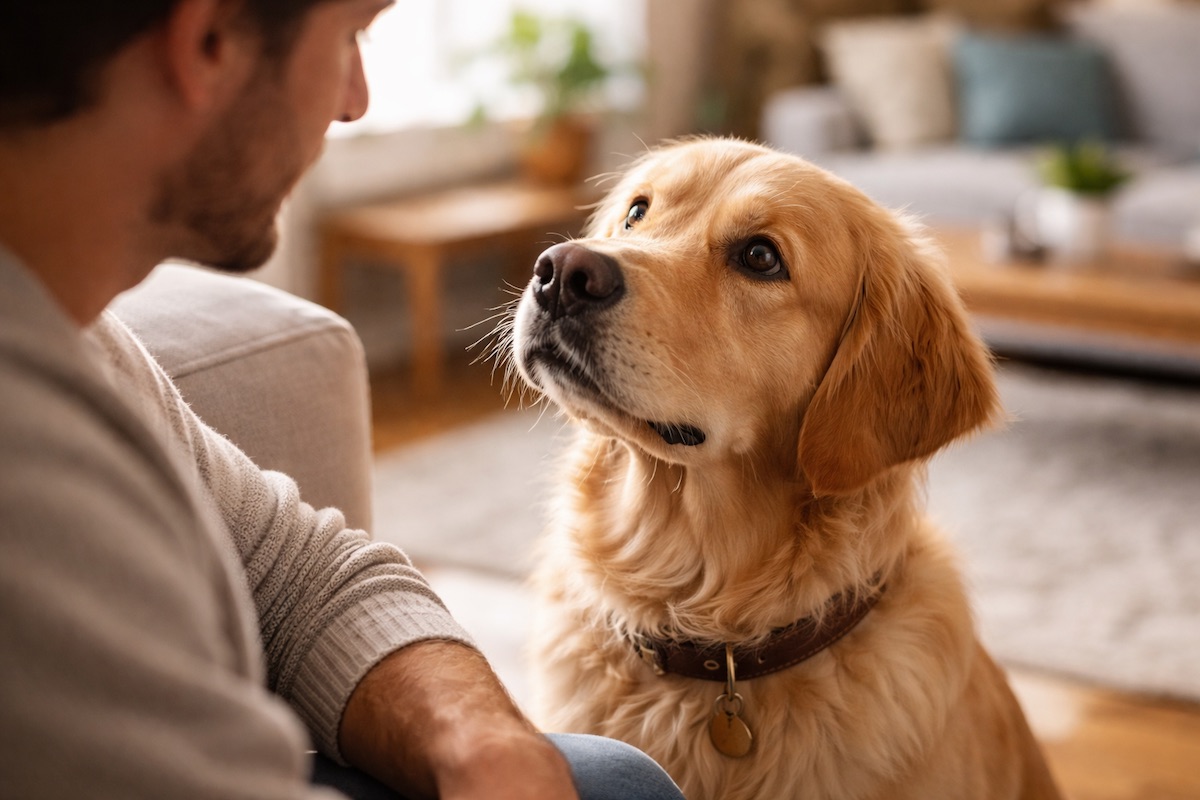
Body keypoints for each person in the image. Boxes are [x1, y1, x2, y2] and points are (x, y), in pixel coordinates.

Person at [0, 2, 685, 799]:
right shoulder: (31, 468)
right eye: (349, 37)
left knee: (618, 780)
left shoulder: (78, 335)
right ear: (208, 42)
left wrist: (484, 746)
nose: (354, 99)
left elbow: (297, 575)